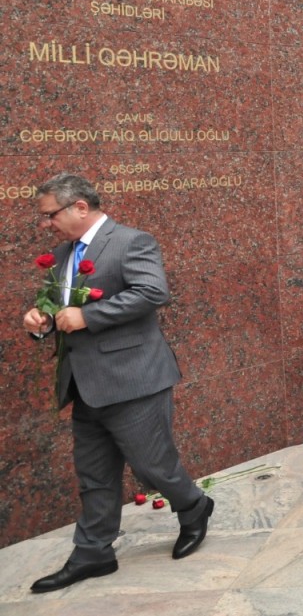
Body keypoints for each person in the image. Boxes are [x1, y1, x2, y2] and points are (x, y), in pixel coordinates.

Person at [23, 173, 213, 594]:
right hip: (83, 383)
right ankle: (93, 552)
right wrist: (39, 321)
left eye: (49, 215)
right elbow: (56, 308)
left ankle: (194, 506)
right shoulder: (61, 254)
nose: (45, 224)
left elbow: (151, 292)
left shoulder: (132, 241)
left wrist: (88, 316)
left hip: (134, 378)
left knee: (153, 466)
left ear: (80, 208)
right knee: (93, 473)